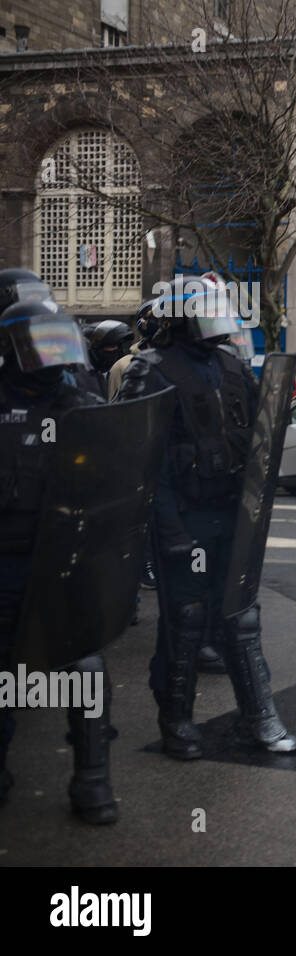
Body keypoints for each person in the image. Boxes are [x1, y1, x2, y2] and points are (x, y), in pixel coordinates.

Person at [116, 274, 296, 758]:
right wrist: (169, 527)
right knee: (185, 619)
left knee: (240, 617)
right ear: (180, 319)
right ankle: (176, 719)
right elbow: (140, 460)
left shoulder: (233, 365)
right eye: (205, 309)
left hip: (229, 513)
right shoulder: (149, 370)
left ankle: (258, 718)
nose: (216, 319)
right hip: (184, 517)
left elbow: (261, 433)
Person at [0, 286, 119, 823]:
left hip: (62, 561)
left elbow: (113, 483)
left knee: (85, 667)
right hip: (4, 562)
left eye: (57, 341)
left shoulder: (82, 403)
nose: (52, 355)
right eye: (38, 343)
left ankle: (92, 781)